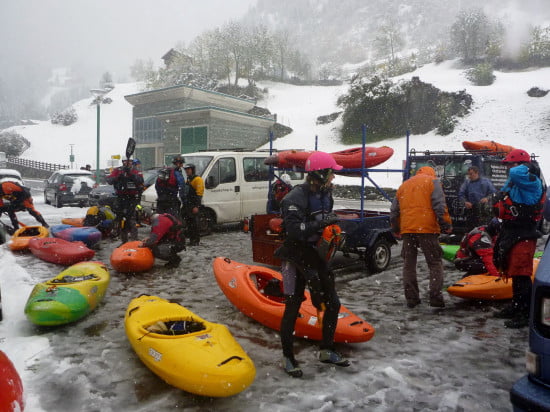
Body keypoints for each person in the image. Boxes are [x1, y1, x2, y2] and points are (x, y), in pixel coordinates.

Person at [274, 151, 349, 378]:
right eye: (331, 174)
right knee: (293, 305)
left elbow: (323, 221)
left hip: (315, 255)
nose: (334, 178)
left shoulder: (327, 194)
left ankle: (326, 350)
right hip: (295, 255)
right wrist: (320, 222)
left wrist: (333, 229)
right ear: (320, 173)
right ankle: (288, 357)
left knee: (332, 304)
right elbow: (296, 230)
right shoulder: (295, 197)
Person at [493, 148, 545, 328]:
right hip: (513, 231)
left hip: (525, 232)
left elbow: (515, 172)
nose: (509, 168)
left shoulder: (530, 180)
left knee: (522, 274)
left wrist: (527, 164)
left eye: (511, 164)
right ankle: (516, 307)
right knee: (514, 272)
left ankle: (525, 313)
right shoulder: (519, 182)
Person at [390, 166, 453, 309]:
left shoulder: (404, 185)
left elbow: (394, 211)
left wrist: (396, 228)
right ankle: (435, 298)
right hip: (427, 228)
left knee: (409, 264)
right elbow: (440, 206)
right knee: (435, 263)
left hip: (408, 230)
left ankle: (412, 298)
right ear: (432, 173)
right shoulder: (433, 182)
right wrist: (446, 224)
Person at [106, 158, 144, 243]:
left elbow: (140, 180)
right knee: (119, 218)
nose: (128, 163)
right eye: (126, 161)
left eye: (130, 161)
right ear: (123, 162)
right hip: (120, 197)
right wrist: (118, 177)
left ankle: (134, 240)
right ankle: (123, 239)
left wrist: (130, 174)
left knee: (131, 219)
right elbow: (109, 180)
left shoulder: (136, 170)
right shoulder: (118, 170)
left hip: (132, 198)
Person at [458, 166, 496, 232]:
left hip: (483, 209)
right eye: (468, 174)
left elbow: (494, 193)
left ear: (477, 173)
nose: (469, 176)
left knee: (482, 228)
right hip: (471, 209)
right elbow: (461, 194)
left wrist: (487, 198)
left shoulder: (486, 182)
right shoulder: (467, 183)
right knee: (471, 229)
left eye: (471, 174)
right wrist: (465, 202)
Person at [181, 163, 204, 246]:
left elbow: (199, 194)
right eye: (186, 170)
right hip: (188, 205)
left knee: (194, 224)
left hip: (194, 205)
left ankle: (195, 240)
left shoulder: (197, 179)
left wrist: (196, 206)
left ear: (192, 170)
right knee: (189, 224)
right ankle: (191, 240)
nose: (187, 171)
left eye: (189, 169)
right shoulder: (188, 179)